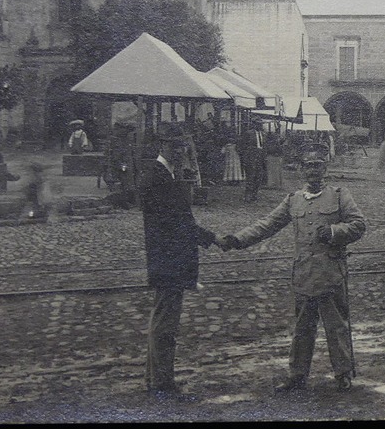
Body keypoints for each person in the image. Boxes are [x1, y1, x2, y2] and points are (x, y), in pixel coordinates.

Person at [215, 150, 367, 392]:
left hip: (331, 273)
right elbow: (268, 224)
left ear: (325, 168)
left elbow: (358, 224)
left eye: (318, 165)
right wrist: (237, 239)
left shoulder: (339, 196)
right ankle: (297, 375)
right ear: (301, 169)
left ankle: (343, 373)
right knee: (302, 328)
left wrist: (333, 232)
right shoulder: (293, 199)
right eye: (308, 165)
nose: (313, 170)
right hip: (304, 274)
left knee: (336, 326)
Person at [141, 127, 218, 396]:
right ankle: (161, 382)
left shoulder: (165, 174)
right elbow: (176, 223)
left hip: (167, 258)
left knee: (162, 320)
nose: (180, 151)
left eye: (183, 146)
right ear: (162, 145)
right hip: (168, 259)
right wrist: (211, 238)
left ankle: (156, 378)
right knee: (165, 324)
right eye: (174, 146)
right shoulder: (158, 176)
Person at [239, 129, 266, 203]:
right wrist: (246, 156)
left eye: (260, 123)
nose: (259, 125)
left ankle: (254, 196)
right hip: (251, 157)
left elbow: (264, 146)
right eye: (257, 123)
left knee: (258, 177)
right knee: (250, 177)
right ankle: (248, 196)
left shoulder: (263, 134)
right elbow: (242, 146)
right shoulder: (248, 133)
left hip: (260, 157)